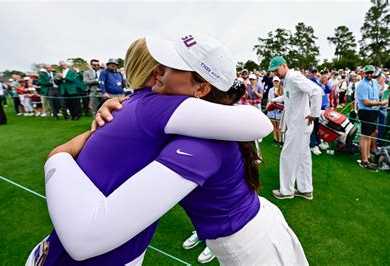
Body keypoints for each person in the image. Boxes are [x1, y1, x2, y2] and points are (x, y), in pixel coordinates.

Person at [27, 34, 285, 265]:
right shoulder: (170, 113)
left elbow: (259, 123)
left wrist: (59, 155)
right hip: (248, 233)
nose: (157, 71)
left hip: (252, 243)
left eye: (172, 67)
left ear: (202, 88)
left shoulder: (186, 126)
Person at [269, 56, 323, 200]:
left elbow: (316, 91)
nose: (275, 73)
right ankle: (306, 189)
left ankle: (286, 191)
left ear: (284, 65)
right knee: (303, 157)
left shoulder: (293, 77)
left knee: (288, 156)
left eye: (276, 70)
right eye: (273, 71)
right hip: (298, 124)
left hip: (299, 124)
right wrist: (274, 100)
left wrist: (314, 114)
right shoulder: (288, 79)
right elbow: (288, 97)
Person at [356, 65, 388, 170]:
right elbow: (365, 102)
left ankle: (368, 157)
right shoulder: (361, 85)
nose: (369, 74)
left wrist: (382, 100)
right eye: (367, 73)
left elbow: (377, 95)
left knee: (370, 135)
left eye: (371, 72)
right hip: (365, 112)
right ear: (364, 73)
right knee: (365, 136)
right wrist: (380, 103)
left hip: (374, 111)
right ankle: (364, 160)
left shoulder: (375, 82)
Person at [267, 76, 283, 146]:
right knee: (274, 126)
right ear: (273, 82)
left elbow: (283, 100)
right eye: (274, 81)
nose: (276, 83)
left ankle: (280, 140)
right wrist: (275, 97)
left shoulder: (282, 89)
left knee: (279, 126)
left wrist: (277, 96)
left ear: (279, 82)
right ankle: (275, 139)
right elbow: (270, 99)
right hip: (273, 109)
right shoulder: (271, 90)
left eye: (277, 81)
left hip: (279, 109)